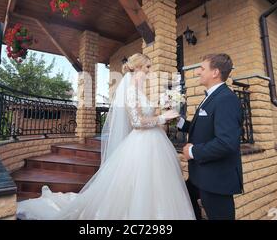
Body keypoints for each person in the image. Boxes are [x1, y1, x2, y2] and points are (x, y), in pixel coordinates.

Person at [17, 53, 195, 220]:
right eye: (147, 67)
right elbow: (136, 122)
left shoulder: (140, 92)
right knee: (140, 182)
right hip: (141, 143)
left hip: (154, 141)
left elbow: (146, 116)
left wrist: (163, 109)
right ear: (138, 67)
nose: (149, 71)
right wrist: (162, 117)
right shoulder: (131, 91)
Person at [178, 53, 244, 220]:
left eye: (201, 68)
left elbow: (227, 143)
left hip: (216, 180)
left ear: (215, 72)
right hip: (199, 176)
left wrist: (193, 152)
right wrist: (178, 122)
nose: (197, 72)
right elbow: (200, 128)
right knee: (186, 201)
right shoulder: (211, 97)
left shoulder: (226, 99)